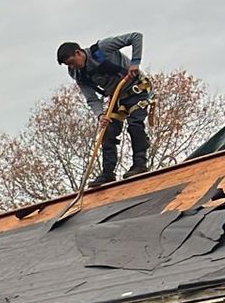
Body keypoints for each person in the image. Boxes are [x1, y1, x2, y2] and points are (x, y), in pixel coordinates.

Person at [56, 32, 153, 188]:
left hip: (136, 90)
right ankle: (108, 173)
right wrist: (100, 115)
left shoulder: (102, 49)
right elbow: (92, 98)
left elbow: (136, 37)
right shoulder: (78, 74)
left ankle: (139, 164)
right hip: (117, 97)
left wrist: (135, 62)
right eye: (69, 65)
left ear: (79, 52)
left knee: (135, 124)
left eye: (73, 62)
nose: (73, 67)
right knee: (107, 130)